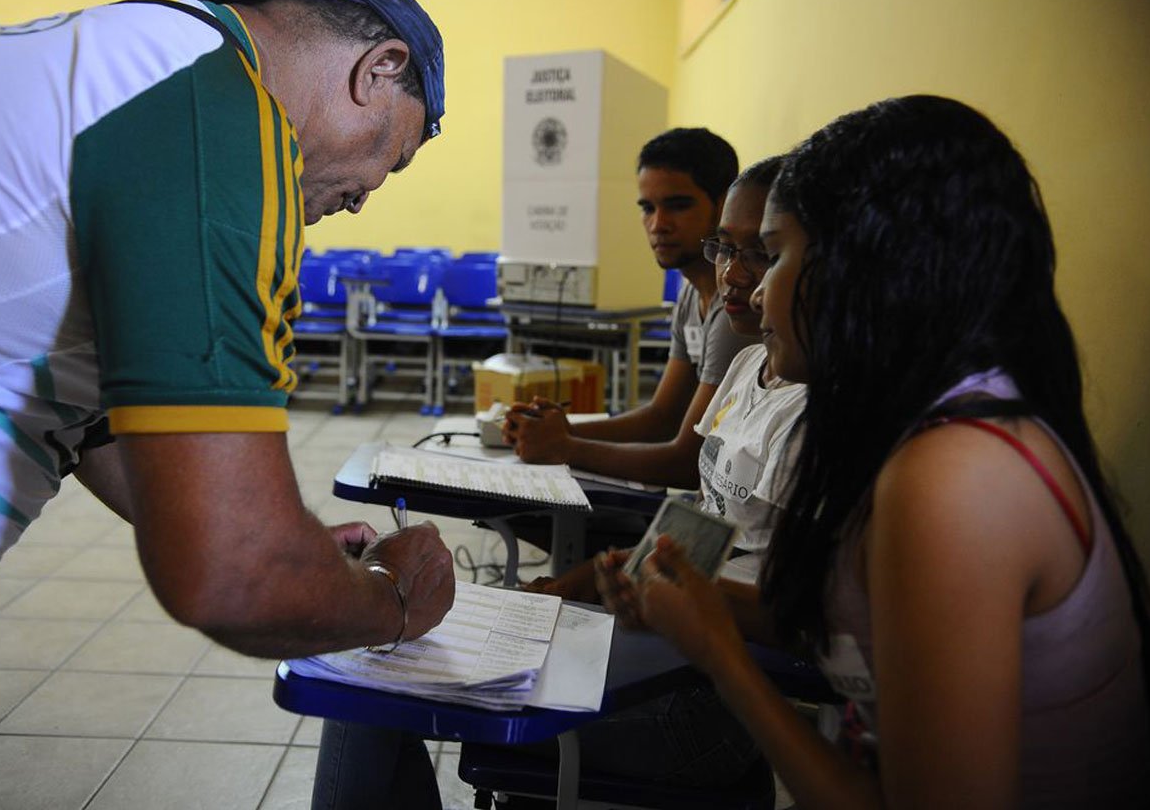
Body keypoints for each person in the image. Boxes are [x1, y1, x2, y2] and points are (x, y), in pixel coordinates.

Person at [0, 0, 457, 809]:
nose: (369, 192)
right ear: (379, 69)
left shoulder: (137, 60)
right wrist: (391, 601)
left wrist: (295, 539)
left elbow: (96, 408)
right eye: (396, 157)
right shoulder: (218, 114)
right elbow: (234, 575)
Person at [616, 95, 1150, 808]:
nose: (751, 285)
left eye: (774, 255)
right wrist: (697, 601)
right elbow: (862, 621)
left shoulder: (955, 474)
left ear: (862, 268)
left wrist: (719, 654)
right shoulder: (923, 431)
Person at [312, 156, 805, 809]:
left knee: (373, 689)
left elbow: (796, 618)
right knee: (379, 659)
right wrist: (585, 584)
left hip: (699, 704)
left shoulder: (824, 419)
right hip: (661, 653)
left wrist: (632, 586)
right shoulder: (749, 368)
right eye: (728, 249)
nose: (740, 277)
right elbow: (707, 531)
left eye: (765, 255)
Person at [504, 127, 755, 487]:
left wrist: (564, 446)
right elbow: (661, 417)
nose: (658, 225)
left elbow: (688, 462)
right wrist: (558, 430)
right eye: (647, 208)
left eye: (678, 205)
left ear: (722, 205)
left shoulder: (734, 310)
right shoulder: (689, 294)